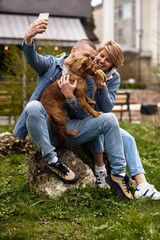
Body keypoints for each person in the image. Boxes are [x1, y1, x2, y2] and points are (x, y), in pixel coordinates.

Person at [13, 18, 132, 200]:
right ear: (73, 51)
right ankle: (52, 160)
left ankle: (117, 175)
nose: (89, 62)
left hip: (74, 130)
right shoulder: (50, 65)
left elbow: (84, 112)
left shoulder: (88, 77)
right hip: (48, 129)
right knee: (33, 106)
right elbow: (33, 59)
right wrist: (29, 38)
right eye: (86, 56)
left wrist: (70, 97)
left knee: (110, 119)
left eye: (92, 59)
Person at [91, 40, 160, 200]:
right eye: (101, 55)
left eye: (108, 60)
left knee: (128, 138)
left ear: (112, 65)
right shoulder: (86, 68)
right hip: (87, 121)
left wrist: (102, 88)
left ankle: (142, 186)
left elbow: (107, 107)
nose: (102, 60)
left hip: (103, 119)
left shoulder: (114, 77)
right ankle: (103, 173)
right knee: (105, 123)